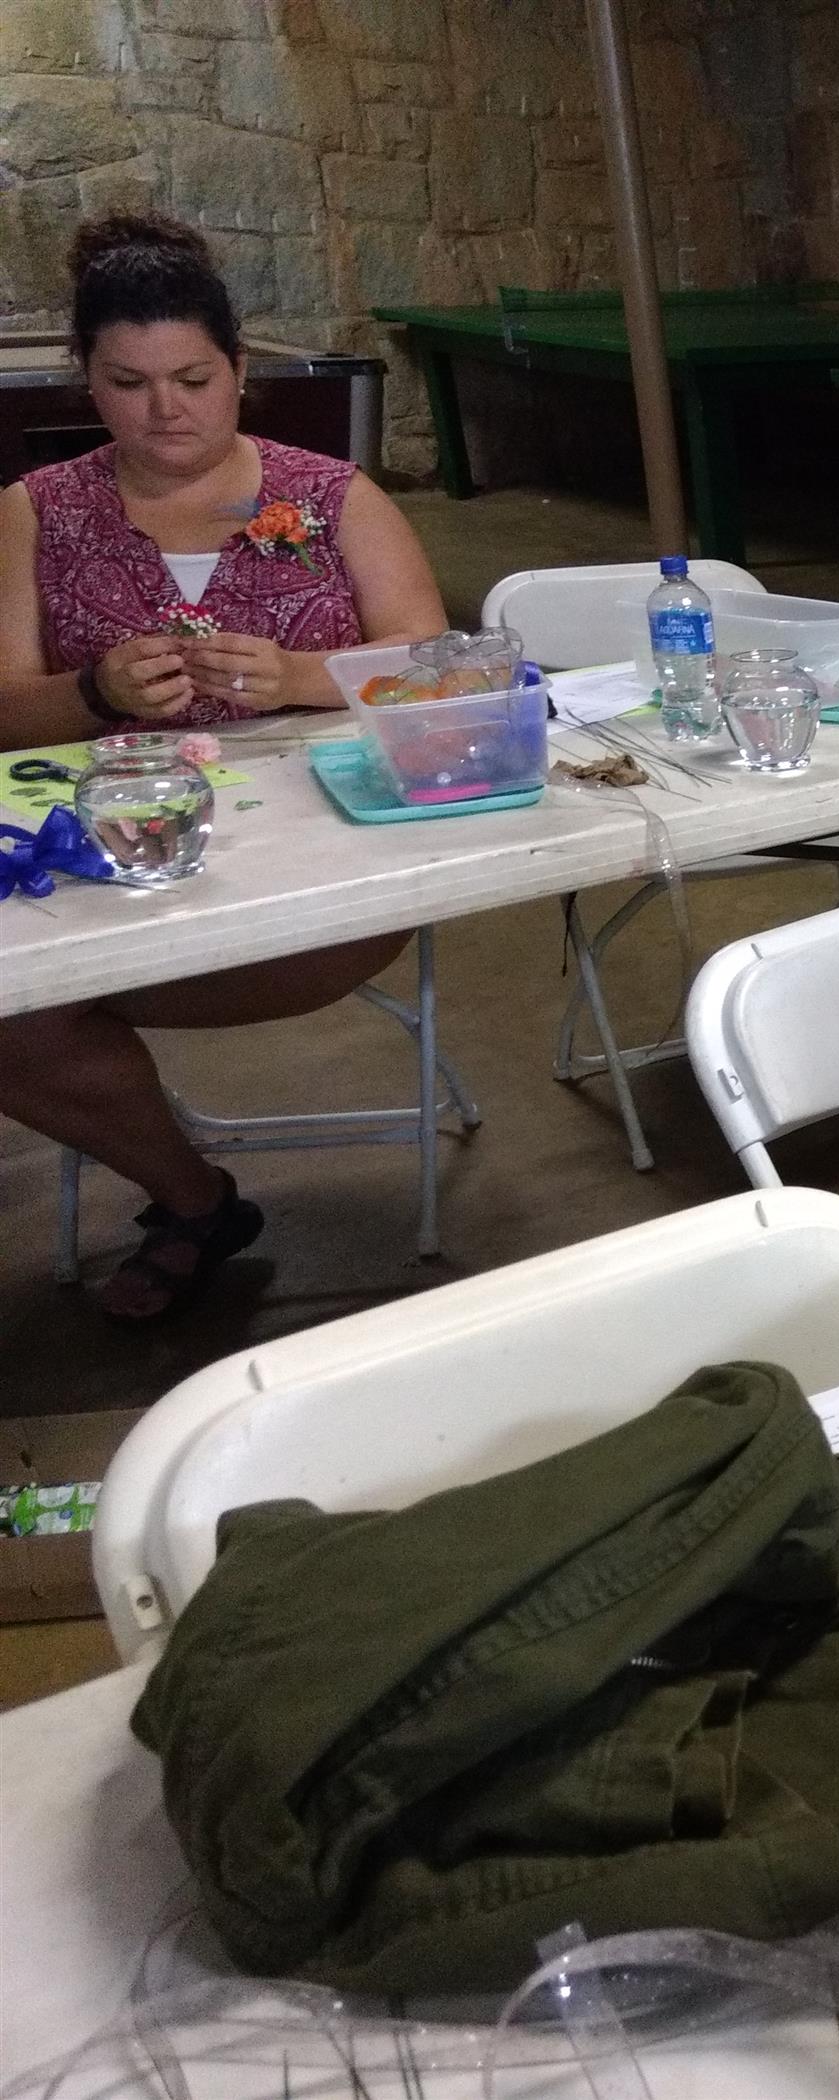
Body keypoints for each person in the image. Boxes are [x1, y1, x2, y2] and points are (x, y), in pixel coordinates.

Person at [0, 212, 446, 1320]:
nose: (167, 410)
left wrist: (299, 677)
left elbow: (437, 670)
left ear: (240, 371)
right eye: (129, 382)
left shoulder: (326, 496)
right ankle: (195, 1200)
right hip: (109, 863)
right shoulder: (37, 512)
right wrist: (93, 692)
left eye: (193, 378)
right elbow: (5, 713)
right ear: (87, 382)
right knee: (11, 1022)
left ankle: (187, 1209)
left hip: (324, 869)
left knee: (31, 1014)